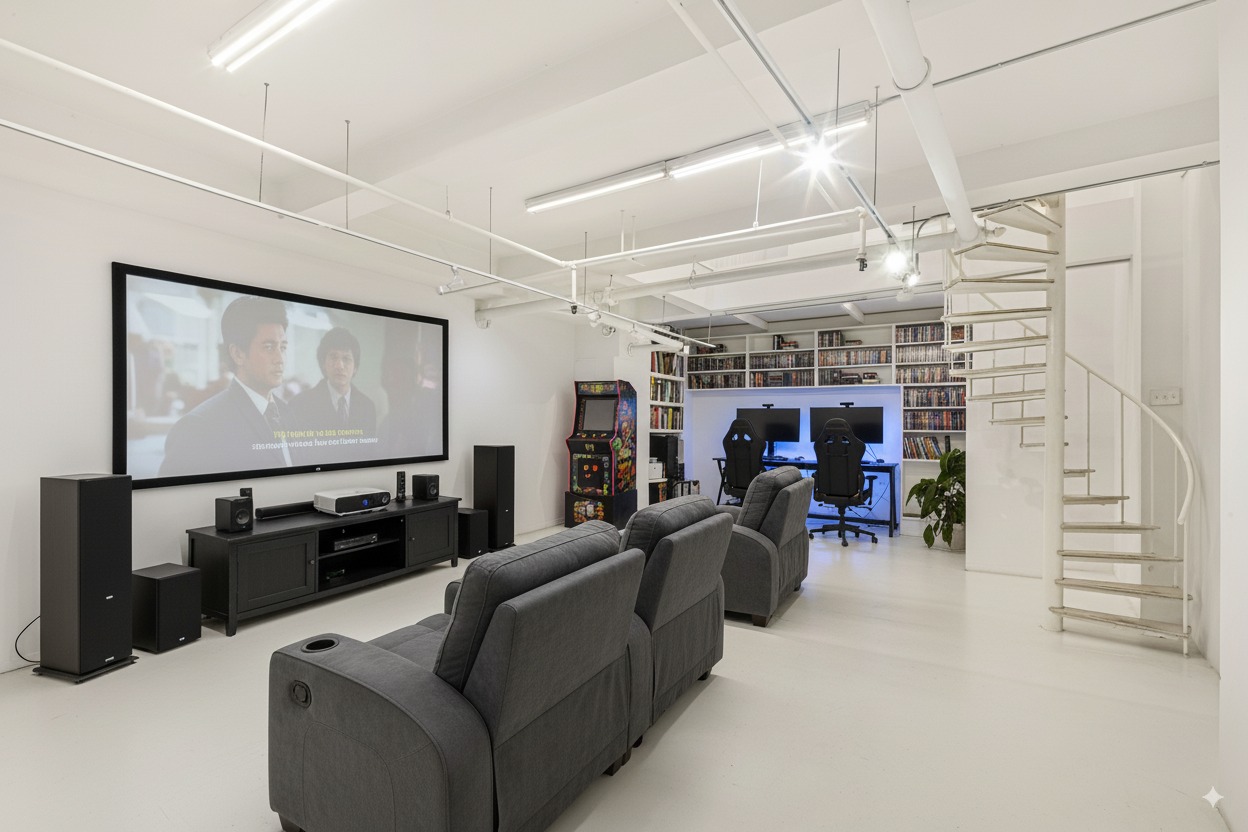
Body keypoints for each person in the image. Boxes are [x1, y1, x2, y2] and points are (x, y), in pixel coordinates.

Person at [158, 296, 295, 478]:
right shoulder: (198, 427)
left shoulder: (288, 413)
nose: (280, 359)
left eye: (283, 347)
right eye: (269, 347)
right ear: (238, 353)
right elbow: (172, 501)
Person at [289, 327, 377, 463]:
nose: (339, 365)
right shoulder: (300, 405)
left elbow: (369, 456)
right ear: (323, 363)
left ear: (355, 367)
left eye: (346, 358)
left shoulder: (367, 407)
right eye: (333, 357)